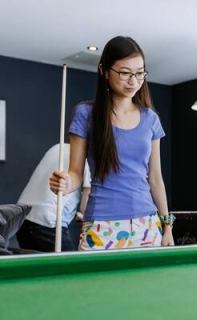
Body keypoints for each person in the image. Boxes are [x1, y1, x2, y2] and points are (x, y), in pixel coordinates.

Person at [49, 36, 174, 250]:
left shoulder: (150, 118)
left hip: (147, 224)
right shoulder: (86, 114)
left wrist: (167, 226)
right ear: (104, 71)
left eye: (139, 72)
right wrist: (67, 183)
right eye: (125, 73)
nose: (133, 81)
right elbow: (76, 173)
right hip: (101, 225)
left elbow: (155, 178)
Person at [16, 143, 91, 252]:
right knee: (72, 268)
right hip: (48, 222)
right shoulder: (88, 157)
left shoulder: (59, 147)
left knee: (40, 268)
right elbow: (86, 207)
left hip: (22, 220)